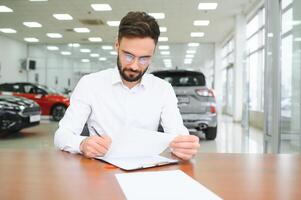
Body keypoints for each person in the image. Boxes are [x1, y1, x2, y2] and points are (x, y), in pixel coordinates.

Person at [54, 11, 199, 160]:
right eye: (129, 56)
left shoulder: (163, 89)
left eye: (144, 59)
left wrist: (185, 146)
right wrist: (82, 144)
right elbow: (62, 135)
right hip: (100, 173)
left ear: (153, 53)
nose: (135, 66)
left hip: (144, 172)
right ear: (117, 45)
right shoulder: (90, 84)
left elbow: (178, 134)